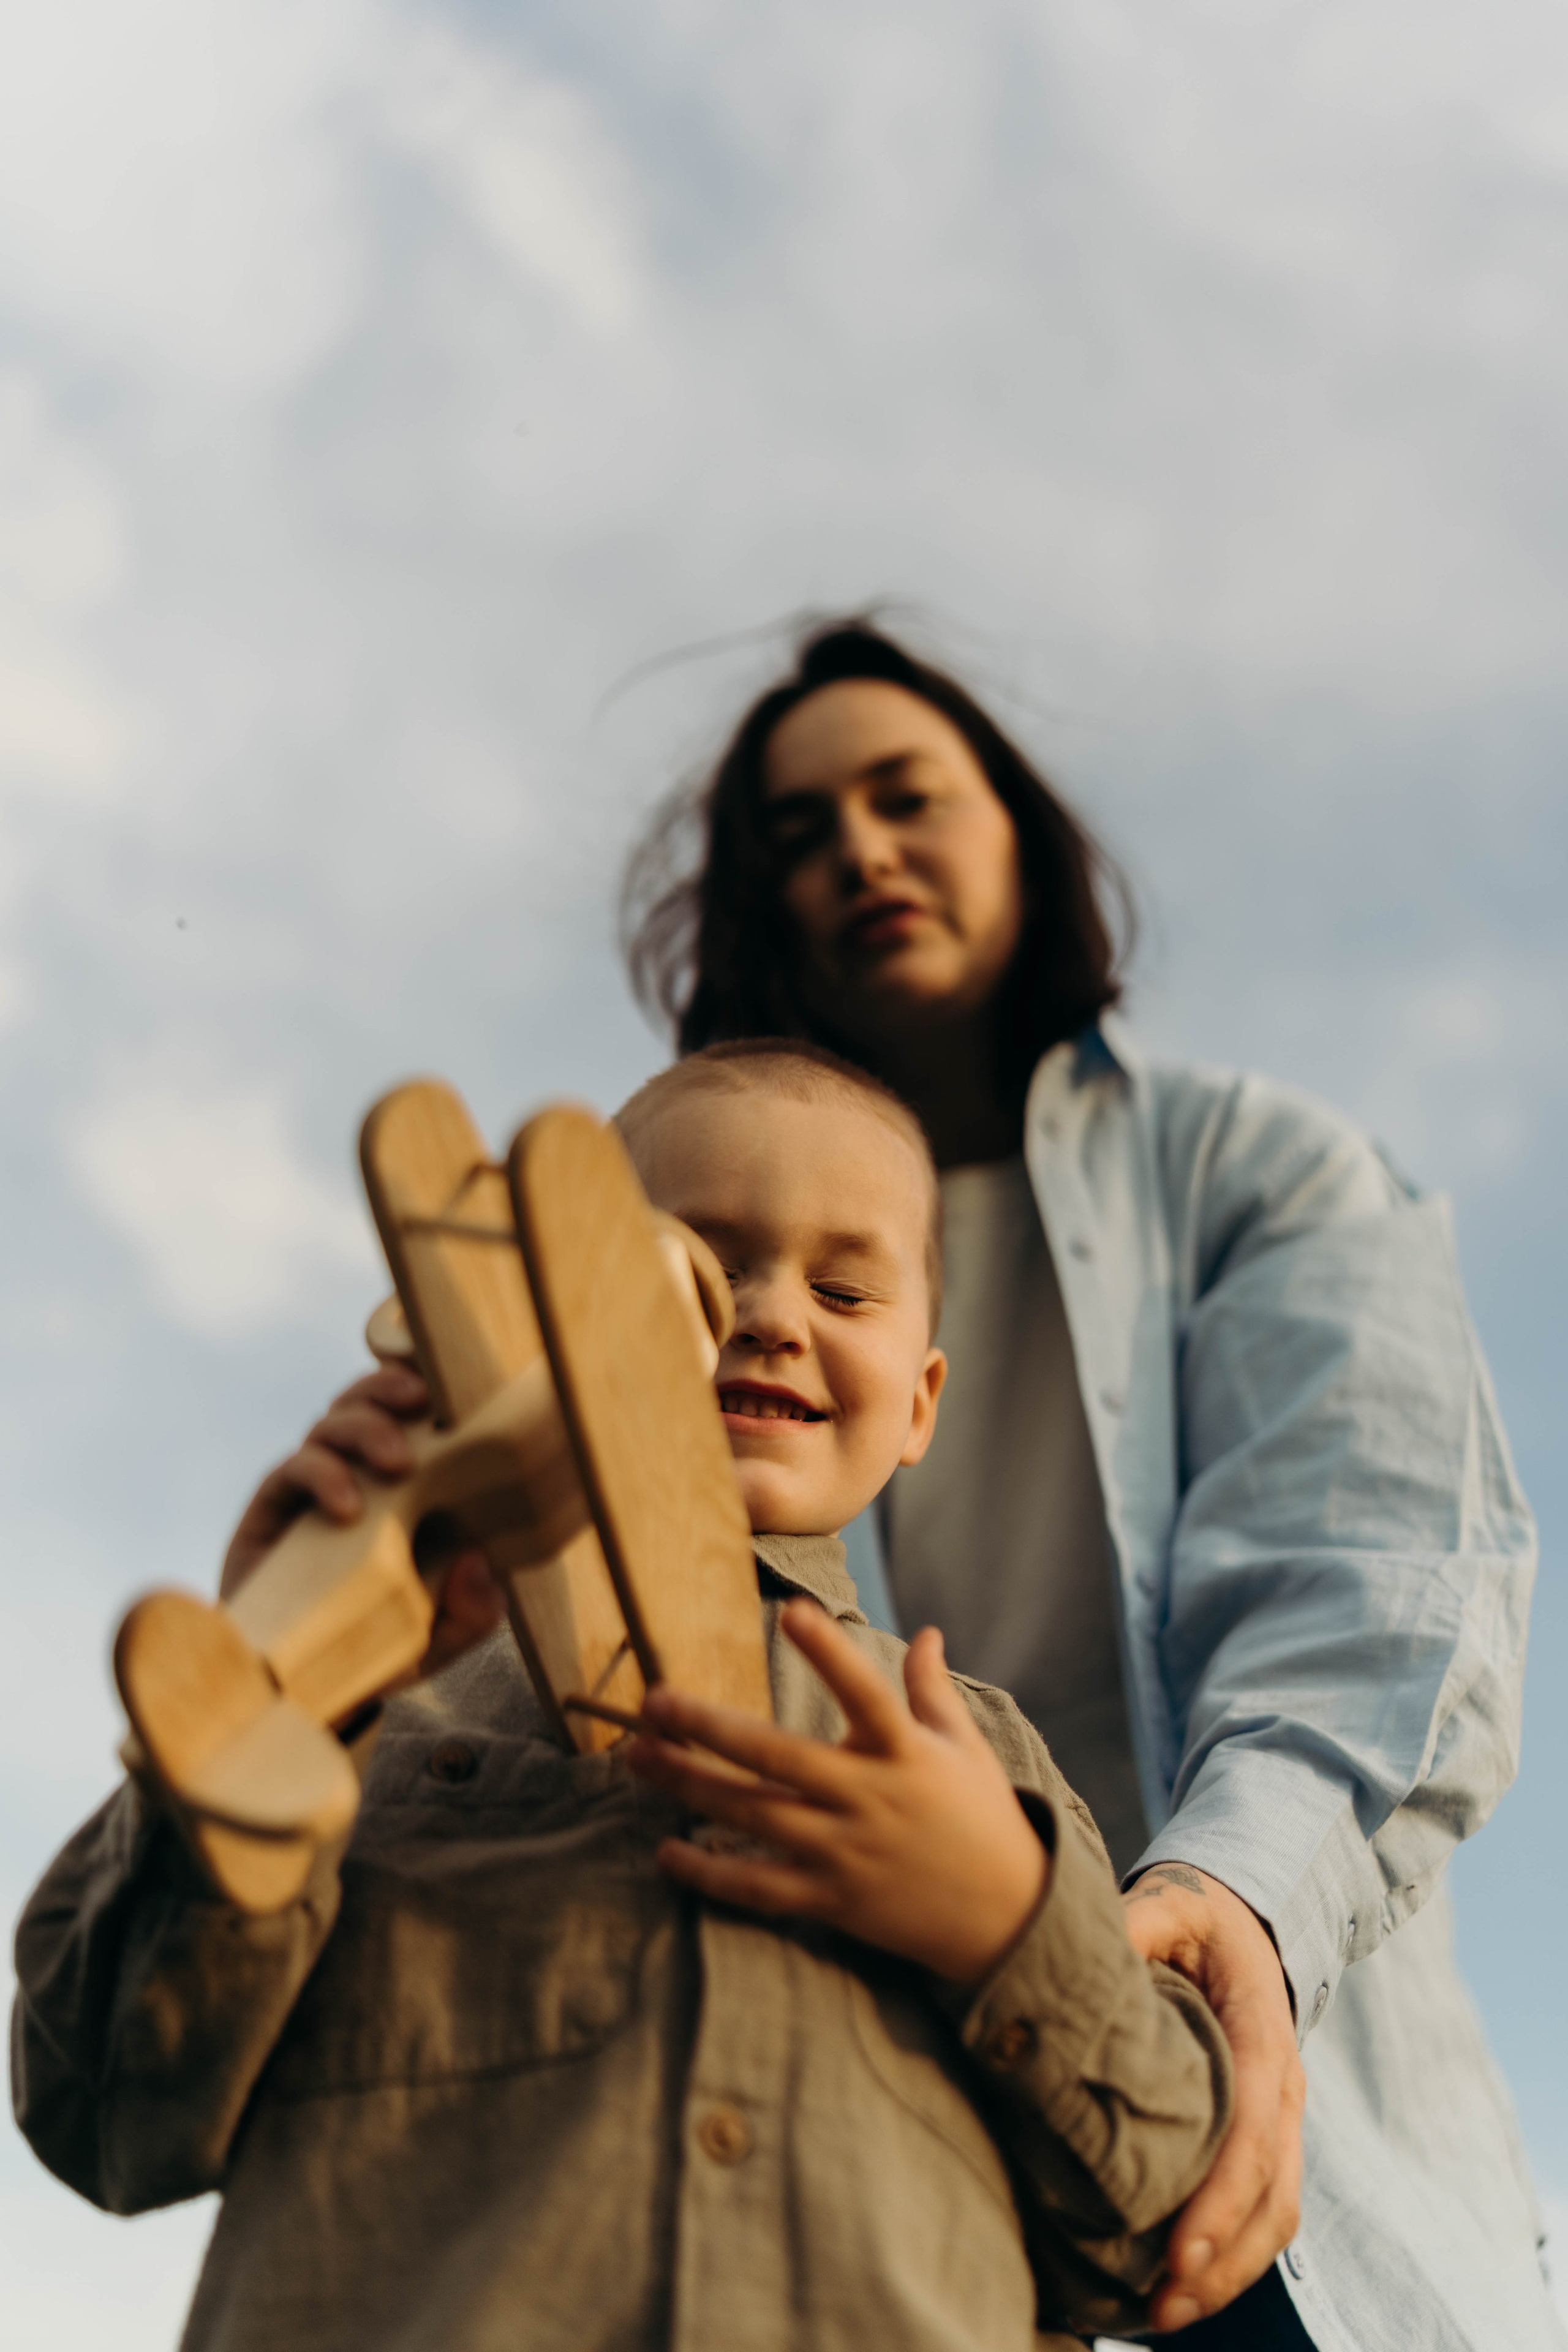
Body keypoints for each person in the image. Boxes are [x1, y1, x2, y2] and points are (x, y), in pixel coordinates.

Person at [621, 619, 1555, 2350]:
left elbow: (1379, 1580)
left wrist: (1239, 1909)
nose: (860, 852)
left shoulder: (1254, 1171)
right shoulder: (660, 1295)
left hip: (1261, 2159)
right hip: (880, 2202)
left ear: (1021, 838)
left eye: (907, 796)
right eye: (799, 833)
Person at [12, 1045, 1234, 2352]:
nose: (768, 1315)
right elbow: (105, 2114)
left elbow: (1161, 2236)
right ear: (534, 1313)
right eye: (693, 1275)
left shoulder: (978, 1757)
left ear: (920, 1402)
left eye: (840, 1285)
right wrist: (278, 1695)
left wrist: (1002, 1923)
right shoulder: (398, 1701)